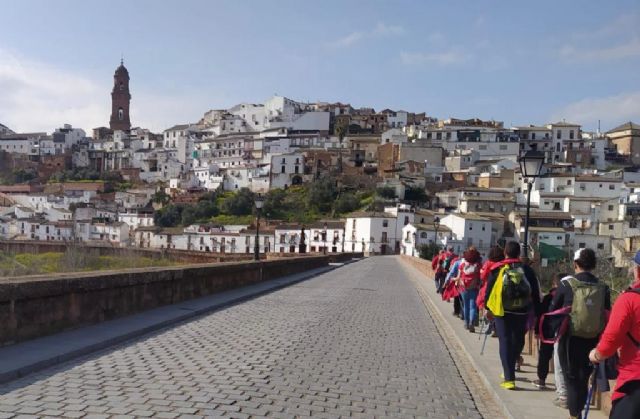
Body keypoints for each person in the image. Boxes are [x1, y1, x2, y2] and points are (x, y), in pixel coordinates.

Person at [550, 248, 610, 419]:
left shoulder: (566, 284)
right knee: (584, 377)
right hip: (593, 338)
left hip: (570, 339)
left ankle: (575, 414)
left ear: (575, 264)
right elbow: (607, 313)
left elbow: (553, 309)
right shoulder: (603, 287)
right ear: (593, 264)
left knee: (570, 377)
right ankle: (578, 411)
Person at [588, 250, 640, 419]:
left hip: (634, 382)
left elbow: (611, 338)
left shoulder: (629, 299)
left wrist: (597, 354)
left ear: (637, 270)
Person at [484, 240, 541, 390]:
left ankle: (509, 377)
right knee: (518, 339)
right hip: (522, 310)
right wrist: (537, 312)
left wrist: (487, 308)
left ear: (505, 253)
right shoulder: (527, 270)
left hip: (502, 311)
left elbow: (489, 289)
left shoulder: (498, 268)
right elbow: (535, 292)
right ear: (519, 253)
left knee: (505, 341)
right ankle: (512, 363)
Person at [532, 273, 565, 390]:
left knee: (544, 355)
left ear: (554, 283)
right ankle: (563, 384)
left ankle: (541, 379)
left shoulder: (548, 298)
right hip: (563, 330)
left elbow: (540, 315)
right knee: (562, 358)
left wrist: (537, 330)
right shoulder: (569, 296)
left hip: (547, 331)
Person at [456, 246, 482, 332]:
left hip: (464, 288)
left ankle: (466, 323)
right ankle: (471, 323)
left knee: (466, 306)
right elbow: (481, 277)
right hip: (474, 288)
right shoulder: (478, 265)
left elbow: (458, 276)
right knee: (473, 306)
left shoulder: (463, 264)